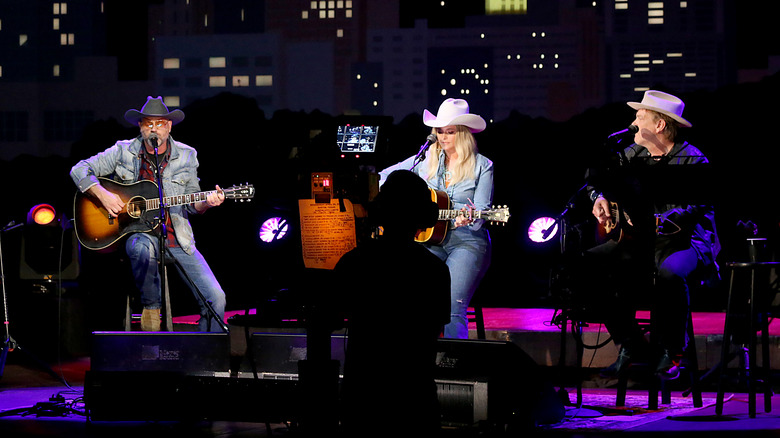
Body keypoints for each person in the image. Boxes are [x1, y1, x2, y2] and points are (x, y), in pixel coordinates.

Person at [586, 90, 720, 379]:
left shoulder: (693, 159)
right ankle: (631, 343)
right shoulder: (632, 155)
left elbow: (702, 202)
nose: (633, 121)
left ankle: (674, 351)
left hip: (687, 242)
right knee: (589, 265)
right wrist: (599, 197)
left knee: (670, 272)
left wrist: (673, 217)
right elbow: (598, 181)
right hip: (642, 242)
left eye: (640, 116)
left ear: (660, 125)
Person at [70, 96, 227, 332]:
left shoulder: (187, 155)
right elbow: (79, 169)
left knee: (217, 298)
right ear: (140, 126)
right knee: (141, 248)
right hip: (136, 233)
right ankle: (151, 307)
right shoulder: (122, 151)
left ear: (169, 126)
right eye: (148, 123)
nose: (154, 128)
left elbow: (193, 202)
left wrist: (207, 203)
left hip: (177, 238)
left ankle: (208, 358)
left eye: (160, 123)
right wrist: (102, 195)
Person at [334, 170, 450, 436]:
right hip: (415, 403)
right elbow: (434, 329)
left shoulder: (354, 263)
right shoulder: (435, 270)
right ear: (424, 219)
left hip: (362, 401)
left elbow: (331, 313)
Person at [379, 98, 494, 339]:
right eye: (439, 131)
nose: (442, 137)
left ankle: (455, 367)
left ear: (462, 134)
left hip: (467, 242)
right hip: (430, 240)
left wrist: (469, 217)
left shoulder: (482, 166)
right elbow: (385, 177)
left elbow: (482, 211)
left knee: (452, 307)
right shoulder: (425, 159)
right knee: (410, 298)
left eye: (449, 132)